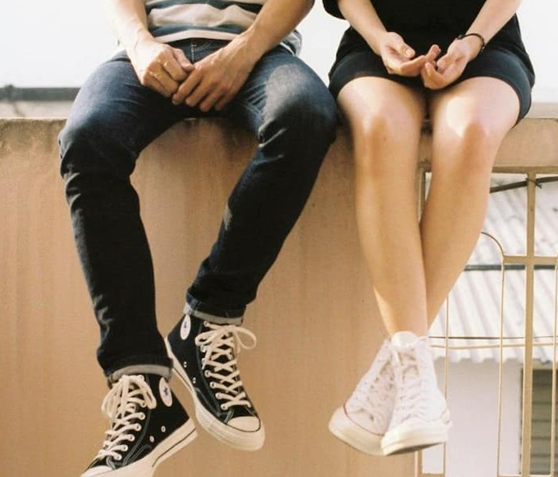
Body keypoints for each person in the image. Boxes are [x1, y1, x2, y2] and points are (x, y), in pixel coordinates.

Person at [57, 0, 338, 474]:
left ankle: (206, 321)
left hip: (260, 53)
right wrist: (140, 45)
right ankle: (142, 384)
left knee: (306, 114)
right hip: (149, 53)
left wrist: (245, 51)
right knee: (87, 138)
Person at [322, 0, 534, 457]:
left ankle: (398, 368)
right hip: (375, 47)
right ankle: (414, 376)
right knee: (379, 126)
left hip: (486, 45)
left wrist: (471, 43)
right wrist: (381, 40)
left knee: (471, 131)